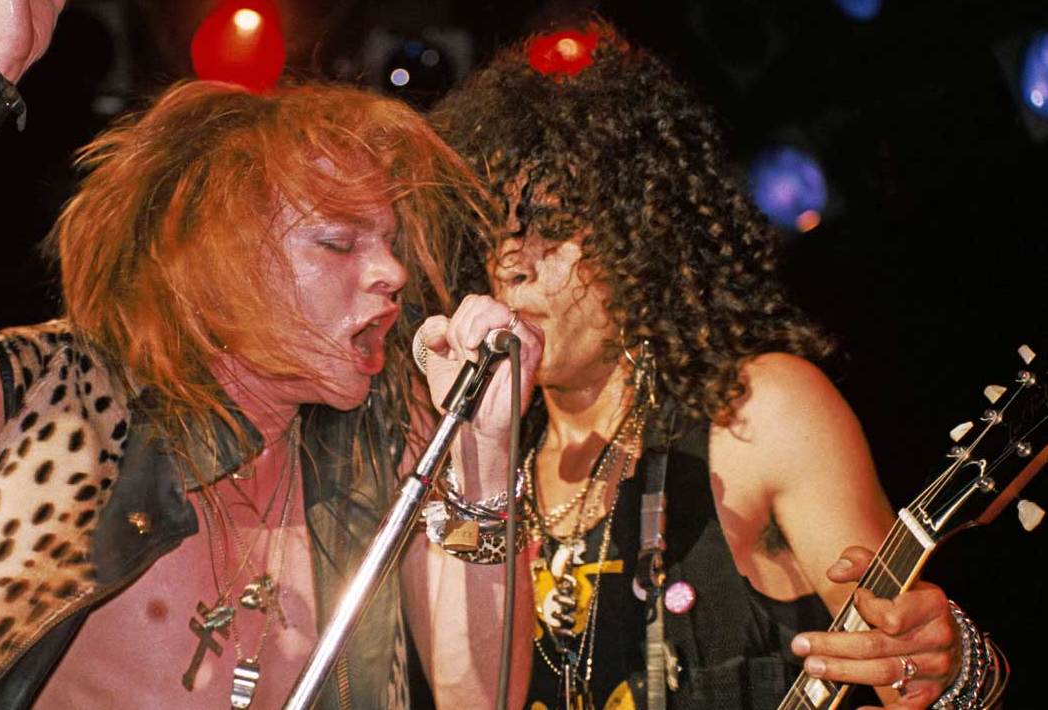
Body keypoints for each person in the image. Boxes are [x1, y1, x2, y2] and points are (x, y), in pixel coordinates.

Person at [0, 1, 540, 707]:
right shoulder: (60, 398)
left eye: (388, 242)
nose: (392, 274)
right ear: (220, 256)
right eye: (338, 241)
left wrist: (486, 450)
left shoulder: (380, 447)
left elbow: (485, 697)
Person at [424, 20, 1004, 710]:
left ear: (633, 233)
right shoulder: (477, 465)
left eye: (547, 225)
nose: (514, 261)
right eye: (495, 233)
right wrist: (477, 456)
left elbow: (913, 663)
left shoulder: (759, 412)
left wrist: (954, 663)